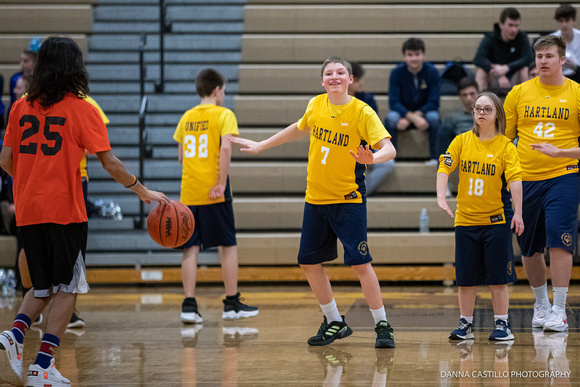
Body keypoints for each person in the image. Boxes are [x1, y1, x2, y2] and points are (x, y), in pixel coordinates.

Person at [0, 36, 170, 386]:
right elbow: (109, 163)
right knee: (69, 286)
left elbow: (4, 160)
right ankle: (42, 364)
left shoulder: (20, 106)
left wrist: (32, 180)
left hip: (28, 211)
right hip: (64, 210)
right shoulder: (82, 107)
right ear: (74, 67)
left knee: (43, 285)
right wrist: (142, 190)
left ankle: (16, 333)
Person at [231, 57, 397, 348]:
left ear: (350, 79)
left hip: (348, 201)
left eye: (340, 72)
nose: (334, 76)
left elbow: (390, 149)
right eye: (328, 73)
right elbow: (298, 128)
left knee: (360, 264)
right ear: (322, 81)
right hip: (315, 200)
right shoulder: (316, 105)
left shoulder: (362, 111)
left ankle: (382, 324)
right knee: (308, 263)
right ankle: (334, 320)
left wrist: (373, 157)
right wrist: (262, 144)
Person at [504, 34, 580, 332]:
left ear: (563, 60)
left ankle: (559, 310)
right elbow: (503, 140)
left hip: (564, 174)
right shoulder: (519, 93)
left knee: (560, 240)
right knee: (529, 247)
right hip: (525, 179)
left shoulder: (576, 93)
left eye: (549, 56)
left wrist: (561, 152)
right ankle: (541, 304)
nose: (543, 61)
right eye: (538, 56)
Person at [174, 68, 258, 325]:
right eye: (224, 90)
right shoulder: (224, 114)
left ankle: (189, 306)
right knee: (228, 246)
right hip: (214, 193)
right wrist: (220, 183)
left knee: (190, 249)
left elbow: (180, 157)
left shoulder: (186, 117)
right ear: (216, 90)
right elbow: (225, 148)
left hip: (189, 192)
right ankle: (232, 303)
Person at [437, 92, 523, 342]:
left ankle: (502, 325)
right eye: (477, 109)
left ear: (497, 113)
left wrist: (518, 212)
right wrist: (441, 197)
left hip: (495, 221)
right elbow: (444, 166)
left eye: (486, 109)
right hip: (465, 221)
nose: (481, 113)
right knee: (466, 278)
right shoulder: (462, 141)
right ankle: (465, 324)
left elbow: (515, 180)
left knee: (498, 278)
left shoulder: (506, 146)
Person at [388, 38, 441, 164]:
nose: (414, 58)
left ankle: (435, 157)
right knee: (391, 118)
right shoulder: (396, 73)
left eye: (417, 54)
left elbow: (434, 102)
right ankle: (389, 158)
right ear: (404, 57)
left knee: (434, 117)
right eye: (410, 55)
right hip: (403, 115)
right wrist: (410, 117)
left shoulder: (432, 72)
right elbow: (393, 102)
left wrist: (416, 116)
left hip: (424, 116)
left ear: (423, 55)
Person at [349, 62, 395, 195]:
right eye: (357, 80)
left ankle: (358, 192)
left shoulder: (368, 99)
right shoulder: (335, 100)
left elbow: (372, 128)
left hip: (366, 142)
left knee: (388, 164)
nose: (361, 83)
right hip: (344, 144)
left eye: (361, 79)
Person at [473, 7, 534, 93]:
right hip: (494, 77)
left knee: (524, 70)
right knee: (481, 72)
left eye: (516, 26)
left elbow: (528, 57)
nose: (514, 30)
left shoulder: (522, 38)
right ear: (501, 25)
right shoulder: (490, 38)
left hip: (514, 77)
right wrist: (497, 72)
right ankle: (480, 103)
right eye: (510, 25)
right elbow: (478, 58)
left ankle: (527, 102)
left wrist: (508, 67)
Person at [436, 77, 479, 158]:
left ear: (479, 94)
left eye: (472, 94)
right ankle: (442, 168)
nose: (468, 98)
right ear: (460, 97)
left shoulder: (490, 116)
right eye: (464, 95)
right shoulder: (453, 118)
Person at [7, 37, 40, 123]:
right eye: (21, 61)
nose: (22, 64)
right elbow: (13, 101)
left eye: (26, 61)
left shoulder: (41, 79)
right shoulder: (15, 78)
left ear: (35, 61)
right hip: (18, 113)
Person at [552, 4, 580, 83]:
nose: (564, 25)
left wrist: (575, 67)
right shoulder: (552, 39)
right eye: (561, 21)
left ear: (574, 20)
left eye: (567, 21)